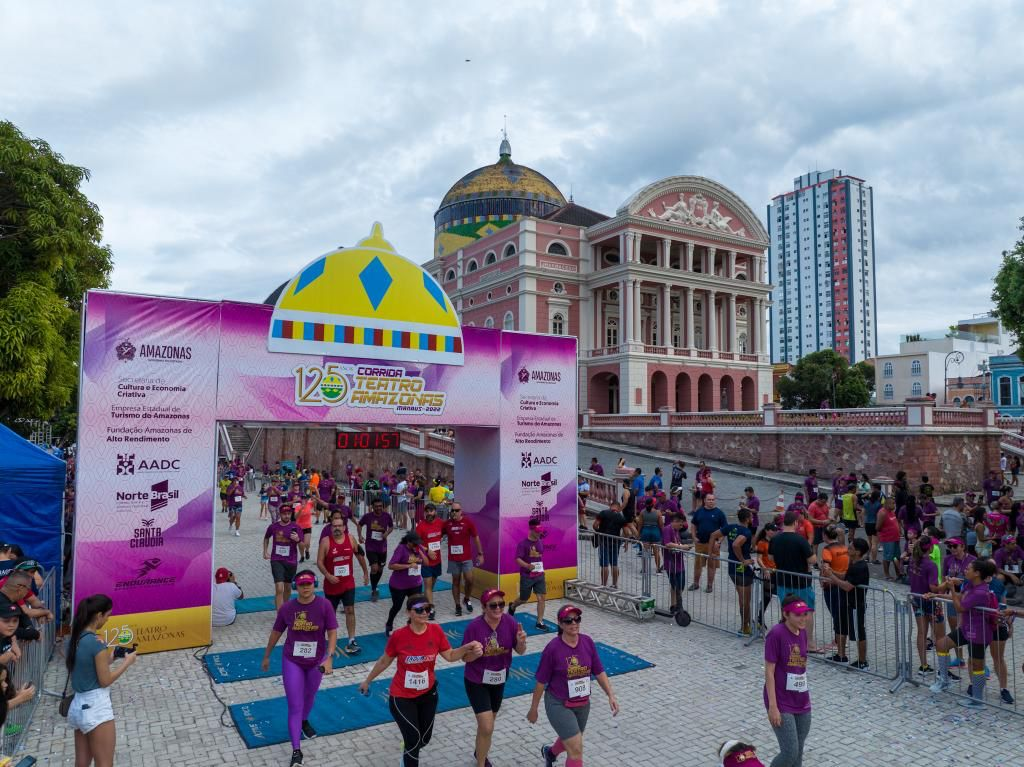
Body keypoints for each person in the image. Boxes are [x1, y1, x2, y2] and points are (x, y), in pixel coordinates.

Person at [360, 594, 483, 767]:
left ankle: (409, 748)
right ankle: (408, 755)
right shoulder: (399, 636)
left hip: (428, 694)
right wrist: (368, 680)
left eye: (427, 609)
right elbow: (384, 661)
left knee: (423, 739)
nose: (424, 613)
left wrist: (465, 648)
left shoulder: (436, 631)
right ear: (408, 613)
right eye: (419, 610)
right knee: (414, 739)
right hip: (401, 696)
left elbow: (449, 656)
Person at [261, 569, 338, 767]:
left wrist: (329, 658)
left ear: (315, 584)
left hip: (316, 661)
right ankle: (296, 751)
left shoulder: (324, 605)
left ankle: (304, 721)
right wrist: (267, 655)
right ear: (296, 586)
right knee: (295, 705)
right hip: (292, 661)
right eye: (302, 584)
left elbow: (332, 632)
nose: (305, 587)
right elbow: (276, 632)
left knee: (309, 696)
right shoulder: (287, 608)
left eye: (309, 584)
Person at [528, 605, 619, 767]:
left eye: (577, 619)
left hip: (582, 703)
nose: (574, 623)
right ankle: (551, 754)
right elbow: (541, 681)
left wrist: (610, 695)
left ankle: (550, 753)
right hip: (558, 703)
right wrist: (534, 709)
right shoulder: (552, 649)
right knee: (576, 748)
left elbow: (598, 671)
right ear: (560, 623)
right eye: (568, 620)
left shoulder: (587, 642)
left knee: (571, 739)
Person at [66, 594, 137, 767]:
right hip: (96, 707)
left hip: (78, 706)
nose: (108, 619)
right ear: (99, 615)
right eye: (108, 615)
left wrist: (110, 657)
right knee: (105, 763)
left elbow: (87, 666)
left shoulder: (75, 638)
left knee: (81, 763)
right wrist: (127, 663)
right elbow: (105, 680)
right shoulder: (96, 643)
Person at [461, 588, 529, 767]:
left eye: (501, 604)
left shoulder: (510, 623)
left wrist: (522, 642)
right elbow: (464, 658)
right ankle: (481, 763)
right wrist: (474, 654)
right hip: (476, 681)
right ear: (484, 608)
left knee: (487, 727)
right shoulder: (474, 627)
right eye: (493, 605)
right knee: (487, 726)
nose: (498, 608)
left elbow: (520, 651)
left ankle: (479, 751)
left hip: (499, 680)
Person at [927, 558, 999, 708]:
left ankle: (977, 700)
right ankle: (945, 680)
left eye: (968, 569)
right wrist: (937, 595)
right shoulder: (971, 584)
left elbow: (960, 607)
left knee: (977, 666)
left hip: (979, 633)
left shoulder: (981, 591)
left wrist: (952, 589)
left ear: (977, 573)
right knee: (941, 645)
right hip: (967, 629)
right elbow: (960, 598)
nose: (965, 571)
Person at [764, 596, 812, 767]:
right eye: (798, 614)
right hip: (781, 701)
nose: (803, 618)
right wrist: (773, 706)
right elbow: (769, 672)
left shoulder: (803, 633)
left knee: (798, 753)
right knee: (790, 752)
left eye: (805, 614)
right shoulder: (776, 634)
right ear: (786, 614)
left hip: (801, 699)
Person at [317, 510, 369, 655]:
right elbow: (319, 562)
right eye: (334, 526)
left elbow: (359, 556)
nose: (337, 528)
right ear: (331, 528)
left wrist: (365, 572)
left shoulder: (351, 539)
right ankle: (329, 640)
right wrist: (327, 575)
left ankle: (352, 640)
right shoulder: (325, 542)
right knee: (330, 615)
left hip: (348, 583)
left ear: (344, 527)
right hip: (331, 585)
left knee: (350, 610)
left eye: (340, 526)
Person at [768, 511, 819, 653]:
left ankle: (788, 639)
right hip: (801, 581)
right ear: (796, 523)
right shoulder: (800, 540)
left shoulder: (775, 539)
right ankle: (809, 643)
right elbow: (812, 560)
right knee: (807, 610)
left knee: (787, 610)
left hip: (782, 579)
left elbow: (771, 558)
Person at [825, 537, 870, 669]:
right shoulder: (853, 564)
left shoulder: (860, 567)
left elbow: (847, 586)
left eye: (850, 548)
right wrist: (831, 572)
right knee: (840, 626)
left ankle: (862, 661)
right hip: (845, 602)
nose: (847, 550)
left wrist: (832, 577)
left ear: (857, 552)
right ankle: (841, 655)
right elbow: (845, 576)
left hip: (855, 603)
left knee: (858, 632)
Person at [709, 508, 755, 636]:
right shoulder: (746, 532)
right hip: (742, 569)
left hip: (732, 567)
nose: (752, 519)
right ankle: (744, 626)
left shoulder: (730, 527)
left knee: (743, 598)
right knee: (745, 599)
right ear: (746, 519)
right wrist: (743, 560)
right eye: (751, 517)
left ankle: (747, 623)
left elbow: (713, 535)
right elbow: (736, 545)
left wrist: (710, 553)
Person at [445, 503, 484, 616]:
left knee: (470, 579)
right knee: (455, 581)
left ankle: (466, 598)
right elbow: (437, 535)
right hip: (453, 559)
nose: (454, 512)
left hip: (466, 558)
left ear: (461, 511)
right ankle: (458, 605)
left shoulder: (468, 522)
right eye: (452, 510)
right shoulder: (447, 524)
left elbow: (476, 537)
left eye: (457, 510)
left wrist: (480, 553)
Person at [509, 519, 549, 630]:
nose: (539, 533)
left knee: (541, 598)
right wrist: (527, 566)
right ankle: (512, 606)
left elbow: (539, 555)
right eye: (537, 531)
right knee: (523, 599)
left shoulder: (539, 541)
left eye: (540, 531)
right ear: (531, 530)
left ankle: (539, 622)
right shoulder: (523, 544)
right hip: (527, 576)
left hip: (539, 574)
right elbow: (517, 559)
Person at [386, 532, 428, 636]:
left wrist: (421, 552)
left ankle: (411, 624)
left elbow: (427, 563)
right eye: (414, 544)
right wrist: (408, 566)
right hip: (399, 585)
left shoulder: (418, 548)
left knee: (416, 606)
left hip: (415, 584)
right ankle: (389, 624)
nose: (416, 546)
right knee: (397, 606)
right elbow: (391, 566)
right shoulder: (401, 549)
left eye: (417, 544)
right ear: (408, 542)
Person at [264, 504, 303, 610]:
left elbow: (302, 546)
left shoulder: (296, 527)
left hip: (291, 561)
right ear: (280, 514)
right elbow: (266, 538)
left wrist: (298, 540)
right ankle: (279, 615)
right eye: (284, 514)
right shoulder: (273, 527)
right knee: (279, 588)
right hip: (277, 560)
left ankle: (285, 608)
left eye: (289, 514)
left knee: (287, 588)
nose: (287, 516)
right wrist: (265, 552)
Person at [358, 498, 394, 603]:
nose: (378, 508)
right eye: (376, 506)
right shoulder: (368, 516)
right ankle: (374, 589)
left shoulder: (387, 516)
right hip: (370, 546)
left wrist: (387, 533)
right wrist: (360, 536)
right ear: (372, 507)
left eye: (380, 506)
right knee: (374, 568)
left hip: (382, 547)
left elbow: (391, 527)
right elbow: (360, 524)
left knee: (380, 569)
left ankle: (375, 585)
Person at [689, 493, 727, 593]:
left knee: (712, 566)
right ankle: (696, 583)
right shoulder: (699, 511)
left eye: (713, 499)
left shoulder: (719, 513)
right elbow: (693, 524)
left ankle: (709, 585)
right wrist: (693, 536)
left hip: (713, 545)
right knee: (697, 565)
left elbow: (725, 530)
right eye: (709, 500)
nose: (711, 501)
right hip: (700, 543)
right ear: (704, 500)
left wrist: (719, 542)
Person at [415, 503, 445, 616]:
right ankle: (430, 608)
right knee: (427, 585)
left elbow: (446, 531)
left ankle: (426, 600)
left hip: (437, 560)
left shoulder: (440, 523)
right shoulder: (421, 526)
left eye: (431, 511)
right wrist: (427, 550)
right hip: (425, 561)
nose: (429, 513)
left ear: (435, 512)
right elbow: (416, 542)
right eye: (427, 511)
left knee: (431, 585)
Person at [593, 501, 626, 588]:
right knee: (614, 564)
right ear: (618, 508)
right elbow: (627, 532)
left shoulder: (603, 513)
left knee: (604, 564)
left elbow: (595, 525)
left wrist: (599, 532)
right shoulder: (621, 517)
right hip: (615, 542)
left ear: (610, 506)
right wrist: (623, 540)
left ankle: (603, 585)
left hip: (604, 541)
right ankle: (615, 584)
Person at [662, 513, 691, 615]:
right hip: (670, 562)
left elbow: (676, 543)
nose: (681, 527)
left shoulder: (676, 531)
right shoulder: (667, 529)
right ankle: (675, 605)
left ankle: (676, 603)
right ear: (675, 521)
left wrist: (683, 546)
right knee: (675, 585)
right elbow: (668, 544)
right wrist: (682, 547)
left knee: (681, 585)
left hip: (679, 562)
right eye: (680, 524)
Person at [876, 498, 904, 582]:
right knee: (887, 557)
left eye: (894, 503)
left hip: (895, 538)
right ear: (887, 504)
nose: (894, 505)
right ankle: (887, 575)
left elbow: (895, 522)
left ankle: (898, 574)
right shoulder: (882, 513)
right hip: (888, 539)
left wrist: (899, 530)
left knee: (896, 557)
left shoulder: (891, 512)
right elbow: (877, 527)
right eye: (892, 503)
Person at [637, 497, 664, 572]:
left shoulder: (642, 512)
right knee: (656, 552)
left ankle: (644, 569)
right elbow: (661, 525)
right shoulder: (658, 512)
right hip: (655, 532)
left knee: (645, 552)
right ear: (653, 504)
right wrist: (663, 534)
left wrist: (639, 534)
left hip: (645, 532)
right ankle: (658, 568)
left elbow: (640, 524)